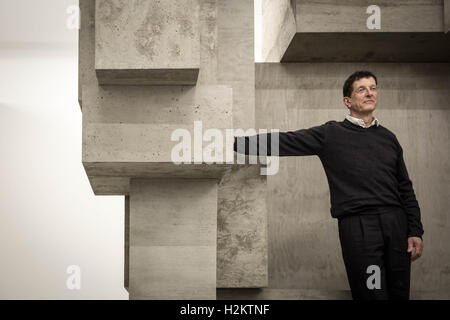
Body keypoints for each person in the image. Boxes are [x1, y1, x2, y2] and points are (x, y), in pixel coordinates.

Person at [233, 70, 424, 300]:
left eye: (373, 88)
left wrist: (414, 230)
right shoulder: (331, 134)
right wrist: (237, 142)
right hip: (361, 228)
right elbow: (287, 140)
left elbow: (405, 187)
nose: (369, 93)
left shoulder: (389, 137)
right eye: (361, 89)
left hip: (396, 225)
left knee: (399, 293)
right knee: (373, 293)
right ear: (348, 101)